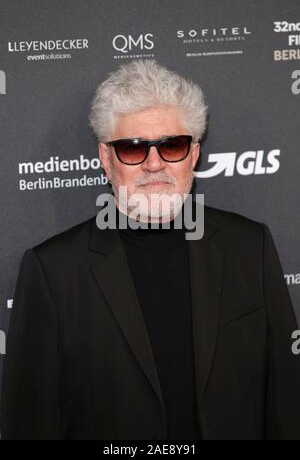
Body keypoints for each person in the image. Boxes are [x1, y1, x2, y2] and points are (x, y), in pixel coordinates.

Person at [1, 60, 300, 440]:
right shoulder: (52, 272)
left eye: (171, 145)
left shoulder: (249, 247)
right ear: (106, 160)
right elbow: (28, 423)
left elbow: (288, 404)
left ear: (193, 155)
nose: (154, 164)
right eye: (132, 148)